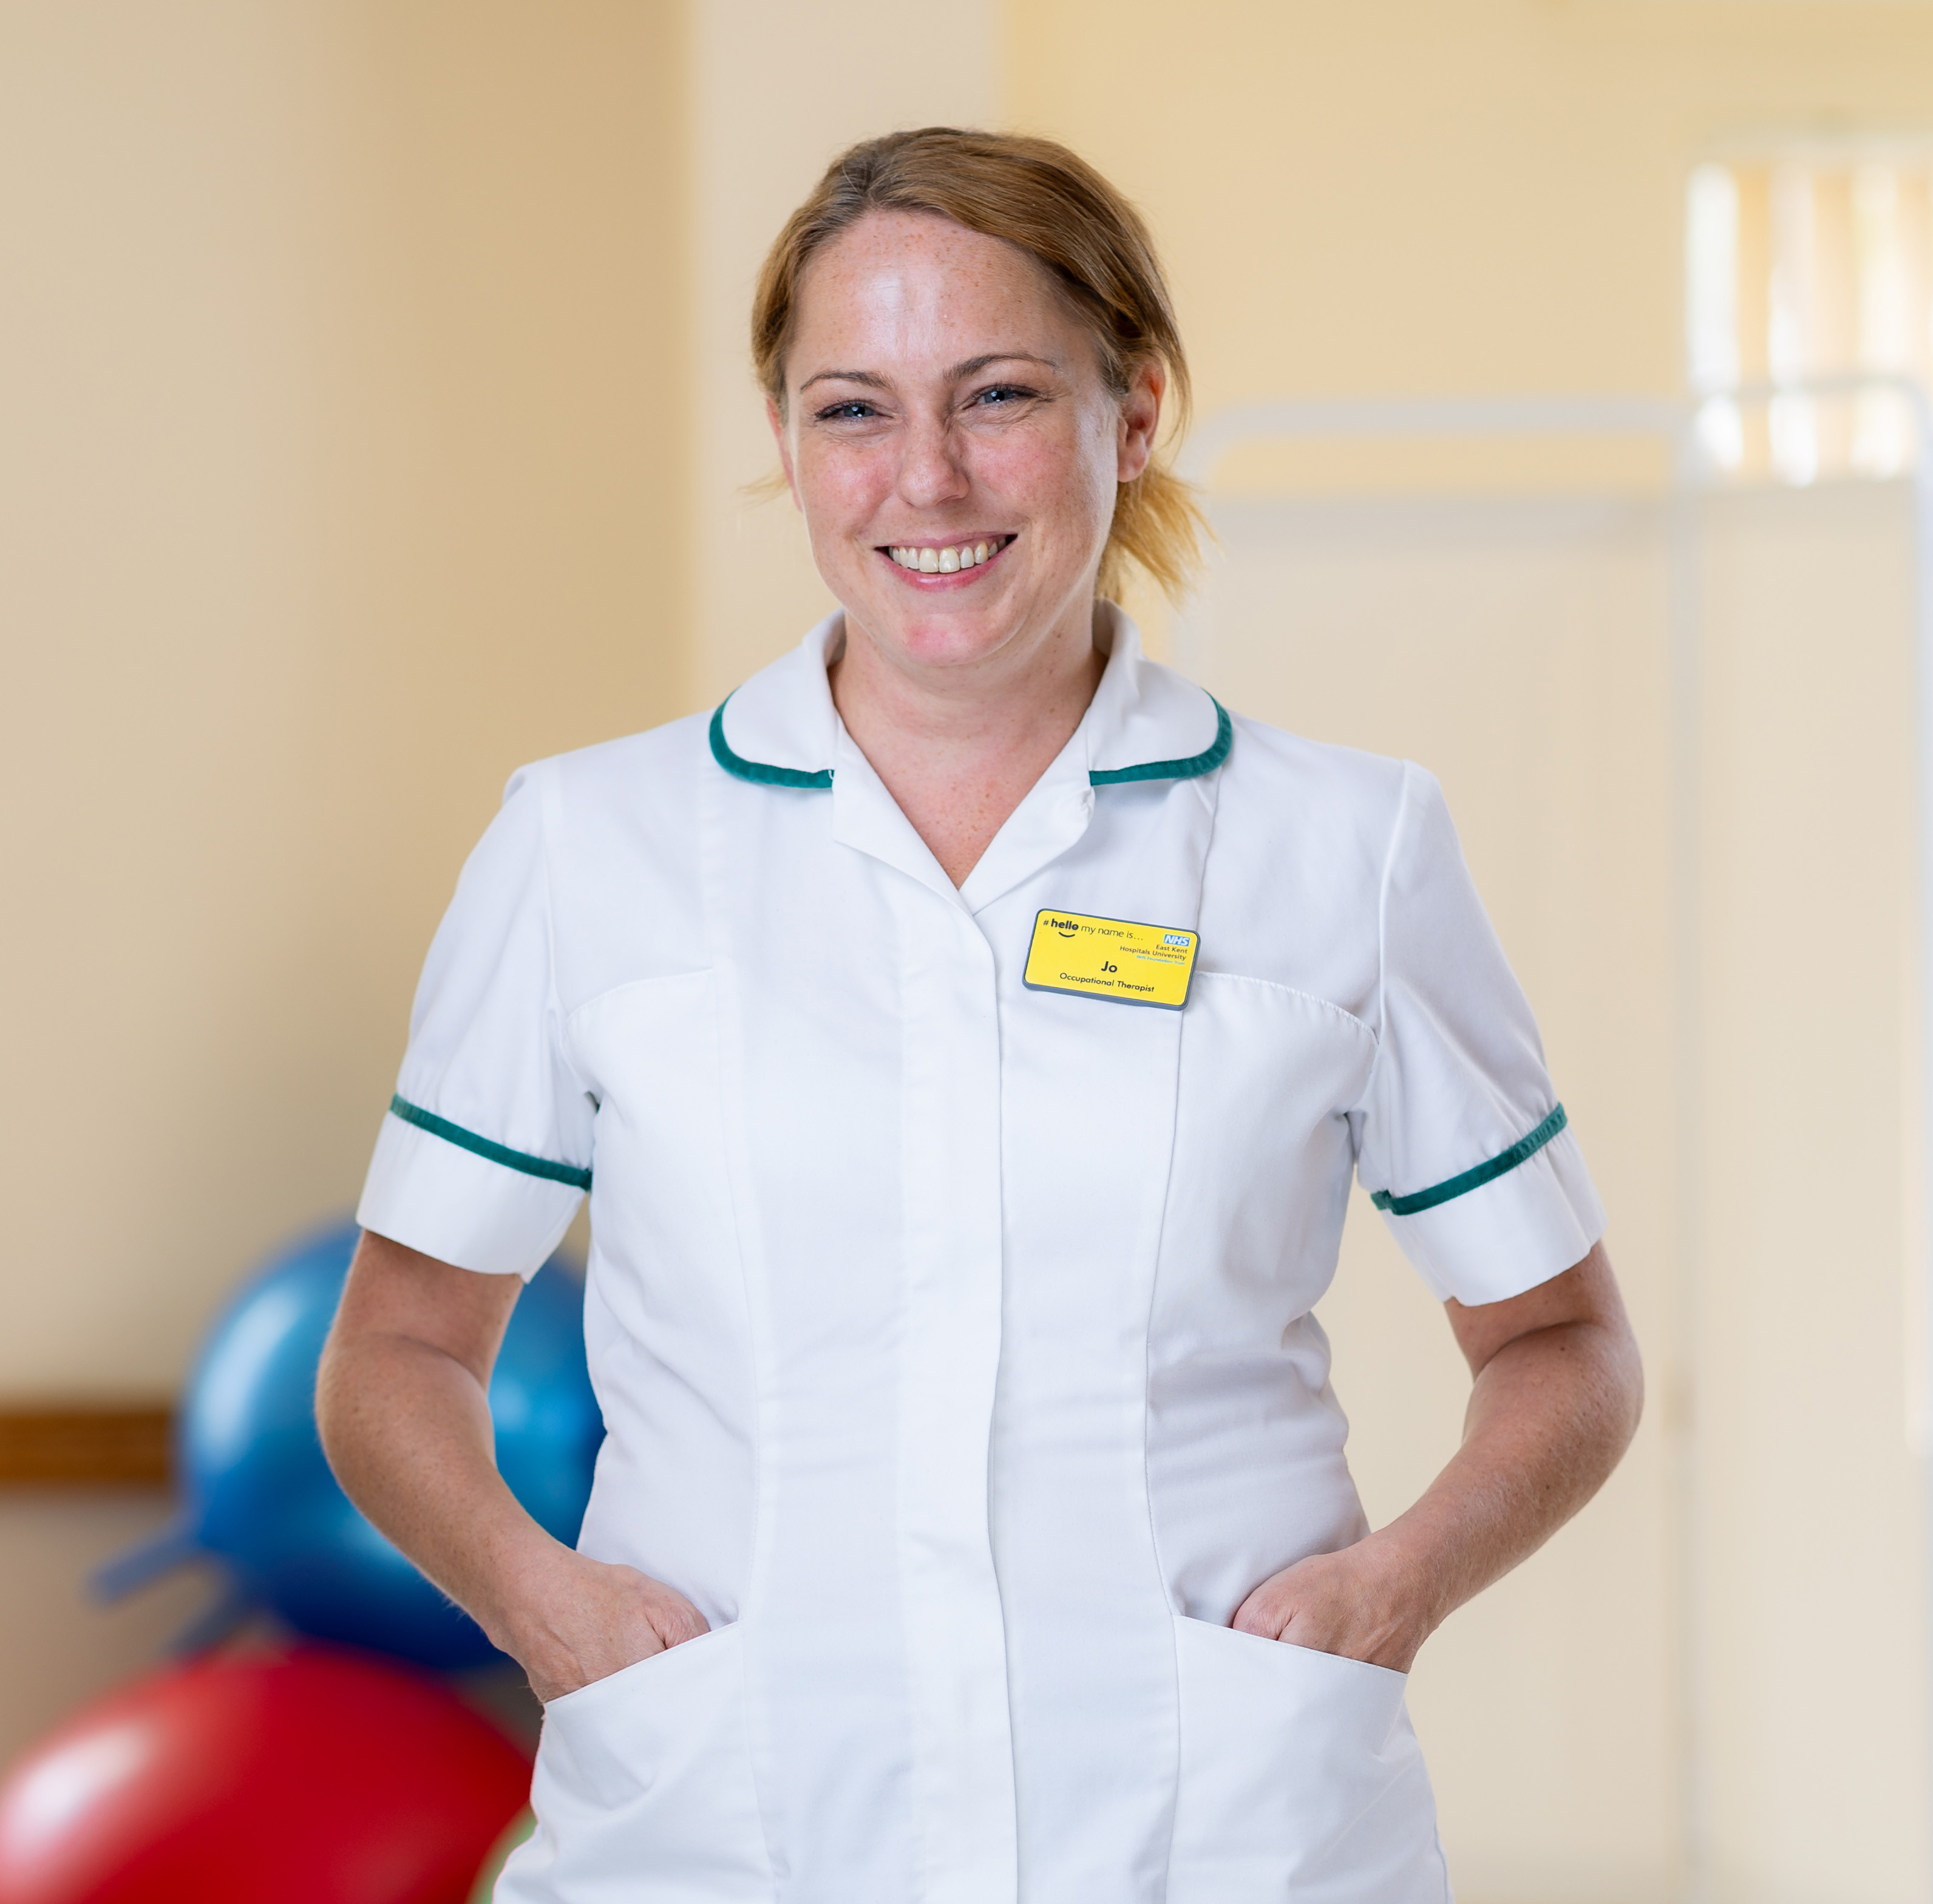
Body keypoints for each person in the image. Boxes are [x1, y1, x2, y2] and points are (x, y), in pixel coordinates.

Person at [317, 127, 1643, 1904]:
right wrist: (543, 1609)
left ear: (1138, 410)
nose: (925, 479)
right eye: (853, 409)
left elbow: (1565, 1346)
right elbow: (395, 1353)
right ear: (788, 443)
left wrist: (1387, 1591)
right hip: (728, 1828)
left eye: (999, 394)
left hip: (1224, 1837)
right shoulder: (592, 847)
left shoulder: (1347, 847)